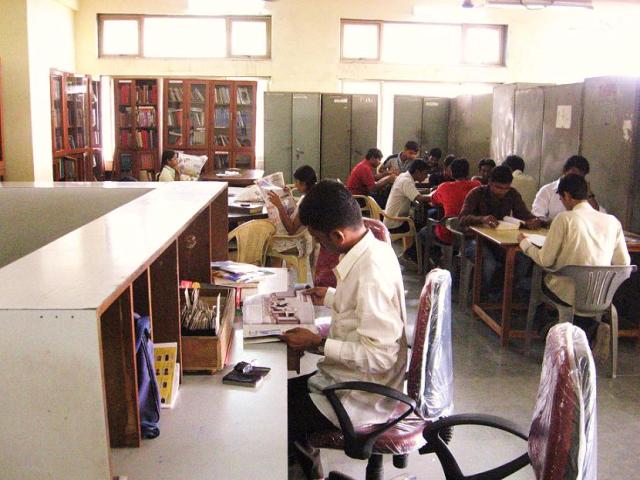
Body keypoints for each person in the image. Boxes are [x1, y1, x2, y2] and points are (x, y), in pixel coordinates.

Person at [281, 180, 407, 480]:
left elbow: (380, 356)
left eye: (318, 239)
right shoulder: (374, 247)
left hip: (363, 394)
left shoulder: (371, 272)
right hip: (347, 378)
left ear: (337, 235)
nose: (319, 246)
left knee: (279, 418)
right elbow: (362, 308)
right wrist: (330, 296)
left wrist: (318, 342)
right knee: (278, 398)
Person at [518, 174, 630, 353]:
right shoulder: (612, 221)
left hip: (568, 293)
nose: (562, 202)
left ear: (567, 196)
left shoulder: (564, 219)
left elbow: (545, 260)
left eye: (561, 198)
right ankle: (591, 330)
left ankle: (552, 332)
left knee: (535, 287)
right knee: (575, 304)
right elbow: (624, 263)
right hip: (602, 295)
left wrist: (525, 243)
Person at [459, 165, 541, 295]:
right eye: (498, 187)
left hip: (499, 241)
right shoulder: (477, 193)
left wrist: (533, 221)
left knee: (523, 258)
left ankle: (504, 294)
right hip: (475, 240)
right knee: (489, 263)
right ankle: (480, 296)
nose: (502, 191)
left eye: (506, 188)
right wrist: (482, 219)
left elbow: (524, 214)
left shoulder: (512, 194)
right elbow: (462, 218)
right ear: (490, 182)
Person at [532, 155, 602, 223]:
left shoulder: (583, 191)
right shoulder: (547, 190)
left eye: (579, 178)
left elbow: (597, 214)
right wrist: (558, 223)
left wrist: (588, 192)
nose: (575, 180)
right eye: (573, 176)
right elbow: (537, 216)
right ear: (564, 171)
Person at [427, 158, 480, 244]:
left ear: (451, 172)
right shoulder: (477, 185)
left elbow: (433, 202)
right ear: (468, 172)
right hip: (473, 232)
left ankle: (432, 252)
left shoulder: (444, 187)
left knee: (423, 232)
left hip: (450, 233)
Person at [267, 165, 317, 254]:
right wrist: (288, 196)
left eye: (296, 182)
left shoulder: (307, 202)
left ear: (304, 184)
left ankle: (272, 263)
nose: (295, 185)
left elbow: (291, 230)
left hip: (295, 241)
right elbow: (296, 213)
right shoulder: (311, 196)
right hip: (302, 238)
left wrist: (279, 206)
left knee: (265, 240)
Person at [383, 158, 431, 233]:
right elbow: (420, 198)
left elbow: (411, 192)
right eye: (425, 173)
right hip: (395, 224)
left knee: (419, 223)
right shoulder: (407, 181)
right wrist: (438, 196)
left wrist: (429, 190)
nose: (426, 176)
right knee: (422, 229)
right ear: (417, 172)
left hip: (391, 219)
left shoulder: (403, 175)